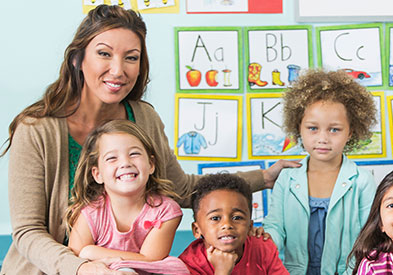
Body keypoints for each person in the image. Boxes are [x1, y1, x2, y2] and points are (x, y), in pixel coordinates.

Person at [1, 5, 297, 275]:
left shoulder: (143, 117)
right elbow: (28, 231)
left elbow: (181, 189)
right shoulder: (36, 129)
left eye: (131, 58)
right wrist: (81, 268)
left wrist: (264, 178)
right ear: (78, 59)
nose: (118, 70)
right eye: (104, 54)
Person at [264, 69, 378, 275]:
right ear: (299, 128)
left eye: (334, 129)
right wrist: (262, 238)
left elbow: (369, 237)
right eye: (313, 128)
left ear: (350, 132)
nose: (323, 138)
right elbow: (275, 228)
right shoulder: (287, 178)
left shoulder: (362, 180)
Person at [64, 120, 188, 274]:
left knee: (178, 268)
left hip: (146, 272)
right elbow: (75, 259)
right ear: (98, 174)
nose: (125, 162)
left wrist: (91, 252)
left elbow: (150, 259)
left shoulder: (166, 211)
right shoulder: (90, 212)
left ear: (151, 164)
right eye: (111, 158)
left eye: (134, 154)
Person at [179, 173, 289, 275]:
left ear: (250, 227)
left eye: (237, 217)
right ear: (197, 230)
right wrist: (222, 272)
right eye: (215, 218)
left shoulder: (262, 248)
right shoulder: (189, 265)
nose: (227, 224)